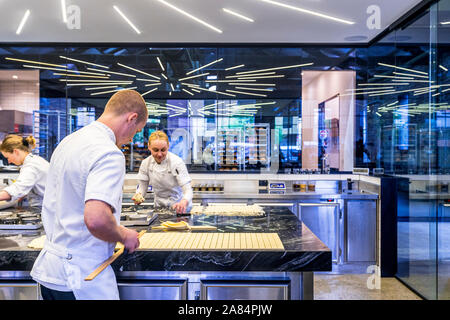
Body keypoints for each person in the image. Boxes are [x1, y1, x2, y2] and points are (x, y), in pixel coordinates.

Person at [30, 89, 148, 300]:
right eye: (137, 131)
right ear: (132, 118)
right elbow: (96, 219)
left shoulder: (68, 142)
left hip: (51, 272)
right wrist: (124, 235)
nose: (132, 139)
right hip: (81, 277)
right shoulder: (109, 152)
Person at [132, 130, 193, 214]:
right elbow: (142, 187)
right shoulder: (146, 163)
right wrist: (138, 196)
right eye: (155, 150)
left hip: (179, 208)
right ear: (149, 147)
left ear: (168, 146)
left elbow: (188, 190)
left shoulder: (177, 162)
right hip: (159, 209)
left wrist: (184, 201)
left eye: (163, 150)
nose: (159, 154)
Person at [0, 135, 49, 208]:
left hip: (44, 207)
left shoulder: (31, 166)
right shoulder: (34, 160)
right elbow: (26, 186)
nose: (9, 161)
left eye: (8, 157)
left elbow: (18, 189)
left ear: (16, 151)